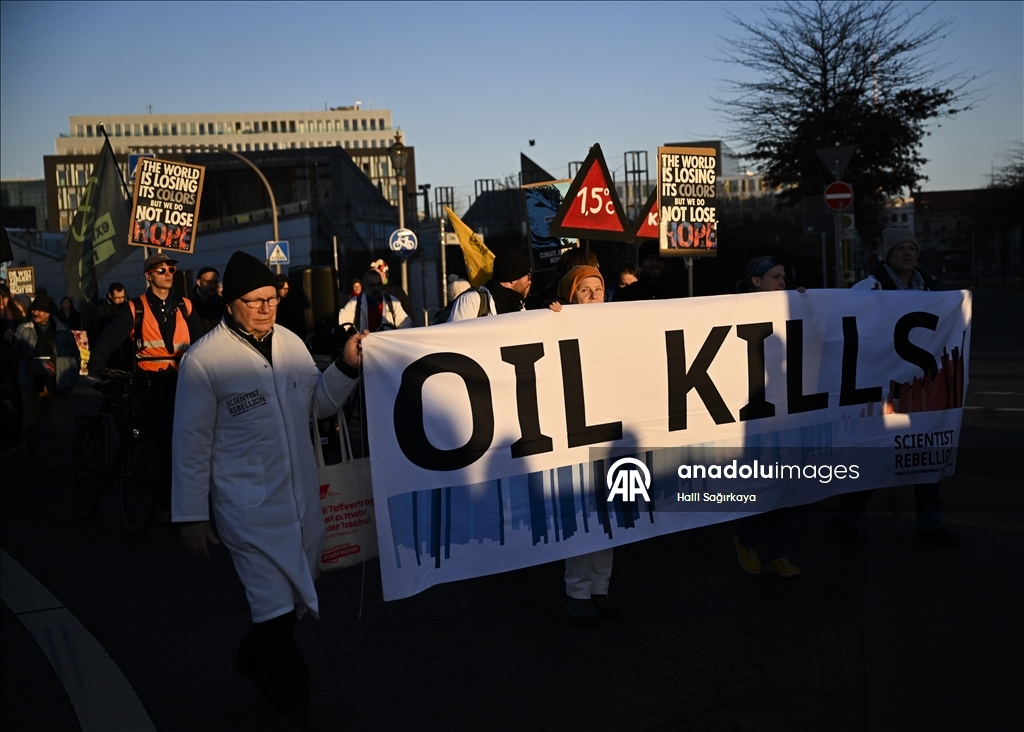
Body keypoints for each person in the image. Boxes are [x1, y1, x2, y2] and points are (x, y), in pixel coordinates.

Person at [173, 250, 365, 729]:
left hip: (300, 495)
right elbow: (191, 444)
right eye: (254, 301)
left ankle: (249, 658)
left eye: (271, 299)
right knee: (273, 606)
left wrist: (345, 367)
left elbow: (318, 404)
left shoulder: (291, 344)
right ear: (229, 302)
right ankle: (294, 707)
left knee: (292, 601)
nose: (265, 308)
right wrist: (191, 516)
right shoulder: (205, 361)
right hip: (248, 508)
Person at [835, 227, 958, 546]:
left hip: (923, 388)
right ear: (887, 255)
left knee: (927, 454)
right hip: (882, 387)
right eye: (900, 248)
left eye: (912, 248)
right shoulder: (868, 288)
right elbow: (845, 324)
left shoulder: (933, 289)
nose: (908, 253)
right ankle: (846, 518)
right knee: (876, 454)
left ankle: (930, 525)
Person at [89, 252, 204, 518]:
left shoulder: (185, 306)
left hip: (182, 381)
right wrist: (97, 360)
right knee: (163, 442)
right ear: (148, 275)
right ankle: (166, 503)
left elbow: (201, 342)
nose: (168, 274)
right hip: (149, 383)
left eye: (171, 270)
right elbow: (111, 336)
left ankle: (183, 498)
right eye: (161, 270)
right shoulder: (135, 307)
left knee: (189, 441)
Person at [547, 265, 620, 624]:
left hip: (609, 431)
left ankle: (600, 588)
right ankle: (577, 590)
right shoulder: (554, 321)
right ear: (570, 295)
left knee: (609, 514)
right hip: (574, 434)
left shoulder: (619, 324)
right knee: (582, 514)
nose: (593, 298)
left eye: (598, 290)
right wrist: (550, 318)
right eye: (584, 291)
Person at [732, 256, 804, 579]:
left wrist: (808, 303)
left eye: (784, 277)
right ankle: (746, 541)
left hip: (787, 411)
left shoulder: (789, 306)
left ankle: (779, 552)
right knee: (764, 485)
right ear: (756, 281)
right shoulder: (732, 310)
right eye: (775, 276)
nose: (782, 282)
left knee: (790, 487)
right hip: (756, 415)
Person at [14, 295, 79, 466]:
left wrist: (72, 378)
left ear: (49, 312)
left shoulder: (63, 331)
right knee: (30, 425)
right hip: (31, 385)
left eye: (40, 310)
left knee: (58, 426)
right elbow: (14, 355)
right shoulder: (24, 329)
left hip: (57, 384)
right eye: (34, 309)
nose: (35, 312)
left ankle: (57, 460)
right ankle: (28, 454)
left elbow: (74, 356)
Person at [449, 248, 532, 320]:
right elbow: (454, 337)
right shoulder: (471, 301)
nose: (530, 281)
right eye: (528, 276)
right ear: (513, 279)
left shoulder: (518, 306)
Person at [337, 269, 411, 332]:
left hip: (387, 346)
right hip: (364, 346)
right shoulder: (355, 303)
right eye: (372, 285)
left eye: (378, 284)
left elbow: (405, 322)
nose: (376, 288)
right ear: (365, 286)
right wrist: (353, 335)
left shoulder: (391, 301)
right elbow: (343, 322)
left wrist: (397, 337)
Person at [614, 240, 685, 301]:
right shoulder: (625, 295)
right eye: (650, 259)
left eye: (659, 259)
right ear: (641, 263)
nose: (655, 263)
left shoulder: (678, 294)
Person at [90, 283, 131, 372]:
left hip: (126, 353)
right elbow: (95, 333)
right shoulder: (102, 311)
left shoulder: (128, 308)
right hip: (109, 355)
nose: (121, 300)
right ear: (110, 295)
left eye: (123, 297)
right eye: (117, 298)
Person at [189, 266, 223, 336]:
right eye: (208, 282)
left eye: (215, 282)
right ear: (199, 282)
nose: (212, 286)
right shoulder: (189, 306)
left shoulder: (223, 304)